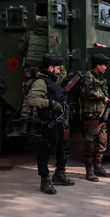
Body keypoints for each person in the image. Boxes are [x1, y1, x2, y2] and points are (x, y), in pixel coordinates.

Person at [28, 55, 75, 195]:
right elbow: (32, 99)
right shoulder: (41, 82)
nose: (60, 71)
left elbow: (64, 73)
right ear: (50, 68)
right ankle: (44, 180)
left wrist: (57, 56)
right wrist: (51, 103)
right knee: (45, 151)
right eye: (57, 68)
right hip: (49, 123)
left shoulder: (53, 79)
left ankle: (60, 174)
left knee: (63, 148)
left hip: (60, 121)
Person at [80, 54, 110, 182]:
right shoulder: (87, 78)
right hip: (91, 116)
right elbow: (87, 92)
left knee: (102, 143)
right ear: (97, 66)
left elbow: (107, 96)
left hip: (102, 116)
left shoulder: (102, 79)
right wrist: (102, 97)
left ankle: (98, 167)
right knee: (90, 144)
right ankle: (89, 170)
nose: (105, 68)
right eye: (104, 65)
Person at [18, 16, 48, 135]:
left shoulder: (29, 34)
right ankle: (35, 123)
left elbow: (20, 49)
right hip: (42, 69)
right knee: (39, 95)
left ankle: (24, 123)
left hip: (29, 68)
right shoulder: (50, 35)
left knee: (27, 95)